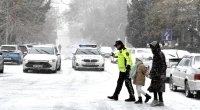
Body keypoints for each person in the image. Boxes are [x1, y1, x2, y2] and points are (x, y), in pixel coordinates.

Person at [148, 41, 167, 106]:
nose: (151, 49)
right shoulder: (156, 54)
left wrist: (161, 73)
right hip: (156, 73)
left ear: (155, 47)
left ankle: (156, 100)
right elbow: (154, 65)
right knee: (158, 88)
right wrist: (151, 72)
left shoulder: (159, 54)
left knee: (157, 87)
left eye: (152, 48)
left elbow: (163, 65)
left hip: (158, 74)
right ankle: (160, 101)